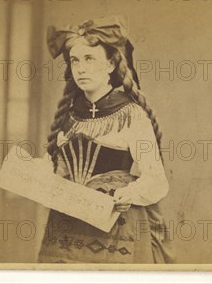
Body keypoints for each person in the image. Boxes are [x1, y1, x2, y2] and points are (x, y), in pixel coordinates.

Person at [38, 16, 174, 263]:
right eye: (75, 60)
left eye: (90, 59)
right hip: (66, 231)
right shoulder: (68, 117)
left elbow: (156, 179)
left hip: (115, 230)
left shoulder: (131, 114)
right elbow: (56, 175)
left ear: (111, 65)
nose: (81, 68)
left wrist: (128, 195)